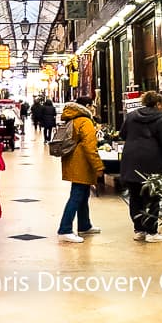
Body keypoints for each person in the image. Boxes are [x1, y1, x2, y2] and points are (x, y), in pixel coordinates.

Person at [119, 90, 162, 243]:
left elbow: (122, 134)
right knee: (152, 197)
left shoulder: (131, 116)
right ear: (157, 104)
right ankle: (151, 232)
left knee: (135, 196)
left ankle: (139, 230)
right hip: (152, 161)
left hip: (130, 161)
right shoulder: (160, 119)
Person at [56, 96, 105, 243]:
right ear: (88, 106)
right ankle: (64, 229)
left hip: (73, 161)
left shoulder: (73, 119)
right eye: (92, 105)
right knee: (77, 195)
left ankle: (84, 225)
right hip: (82, 162)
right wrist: (98, 166)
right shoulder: (85, 121)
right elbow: (90, 147)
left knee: (83, 194)